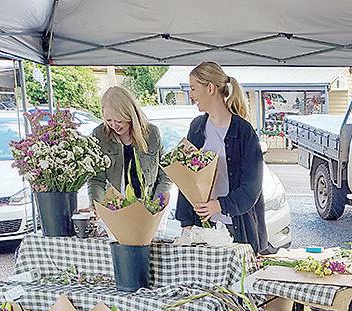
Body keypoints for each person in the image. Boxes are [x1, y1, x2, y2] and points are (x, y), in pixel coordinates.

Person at [175, 62, 267, 254]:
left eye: (193, 88)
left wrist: (219, 205)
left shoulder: (244, 131)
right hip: (204, 228)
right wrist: (186, 223)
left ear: (210, 88)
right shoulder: (197, 127)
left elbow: (252, 187)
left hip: (237, 227)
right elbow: (186, 177)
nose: (191, 95)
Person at [87, 86, 170, 205]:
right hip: (115, 207)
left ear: (130, 115)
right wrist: (95, 205)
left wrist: (157, 201)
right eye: (109, 120)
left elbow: (165, 172)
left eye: (119, 121)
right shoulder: (99, 135)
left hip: (149, 206)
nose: (114, 125)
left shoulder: (152, 133)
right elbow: (96, 179)